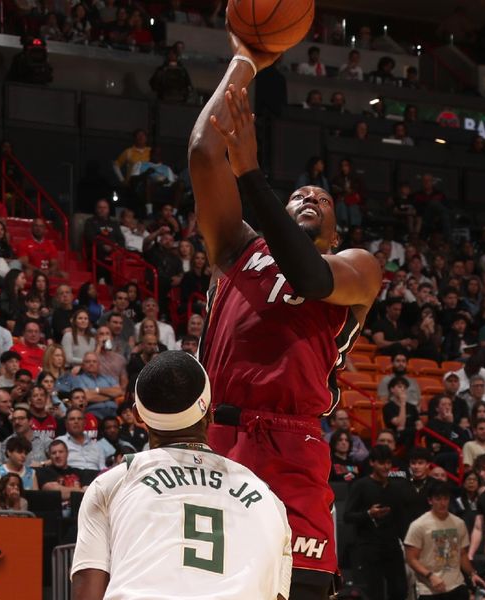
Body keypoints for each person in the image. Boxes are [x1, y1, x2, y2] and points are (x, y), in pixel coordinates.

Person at [189, 42, 381, 598]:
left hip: (291, 442)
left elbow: (310, 281)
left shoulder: (357, 268)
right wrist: (245, 59)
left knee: (300, 586)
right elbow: (204, 153)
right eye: (299, 194)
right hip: (216, 434)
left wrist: (253, 176)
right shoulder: (236, 247)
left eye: (320, 198)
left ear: (337, 231)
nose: (308, 197)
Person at [71, 351, 292, 600]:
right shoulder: (267, 497)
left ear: (137, 415)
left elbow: (88, 592)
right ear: (209, 409)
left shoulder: (111, 484)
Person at [343, 445, 407, 600]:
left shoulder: (395, 487)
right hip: (369, 547)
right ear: (372, 463)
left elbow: (401, 519)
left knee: (399, 590)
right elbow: (347, 516)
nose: (386, 467)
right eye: (381, 463)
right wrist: (368, 514)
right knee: (374, 593)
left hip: (392, 546)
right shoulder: (361, 485)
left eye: (388, 463)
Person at [404, 480, 485, 600]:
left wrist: (472, 573)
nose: (442, 503)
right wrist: (430, 576)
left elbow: (462, 554)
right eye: (438, 499)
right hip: (430, 589)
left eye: (445, 499)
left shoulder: (459, 523)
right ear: (430, 500)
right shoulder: (419, 525)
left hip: (456, 585)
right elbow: (411, 559)